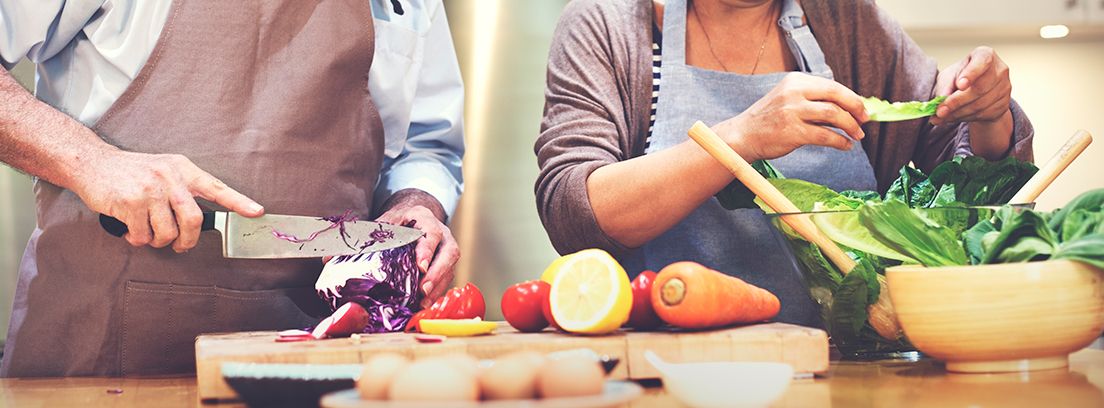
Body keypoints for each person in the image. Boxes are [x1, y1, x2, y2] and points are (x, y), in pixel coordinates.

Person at [0, 0, 464, 376]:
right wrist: (94, 162)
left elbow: (426, 145)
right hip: (102, 352)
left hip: (326, 357)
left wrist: (417, 202)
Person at [535, 0, 1033, 327]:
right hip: (664, 369)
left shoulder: (846, 20)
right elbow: (575, 210)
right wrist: (741, 137)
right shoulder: (609, 25)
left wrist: (989, 116)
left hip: (849, 367)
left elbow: (961, 192)